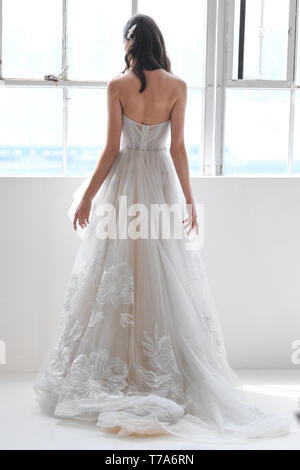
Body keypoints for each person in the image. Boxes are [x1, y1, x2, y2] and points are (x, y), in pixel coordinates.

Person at [34, 14, 291, 443]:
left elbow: (111, 150)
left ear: (130, 43)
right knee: (161, 273)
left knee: (114, 271)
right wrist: (187, 199)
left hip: (124, 187)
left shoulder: (117, 87)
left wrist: (87, 198)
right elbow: (177, 150)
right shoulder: (178, 86)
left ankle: (119, 365)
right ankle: (154, 368)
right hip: (159, 186)